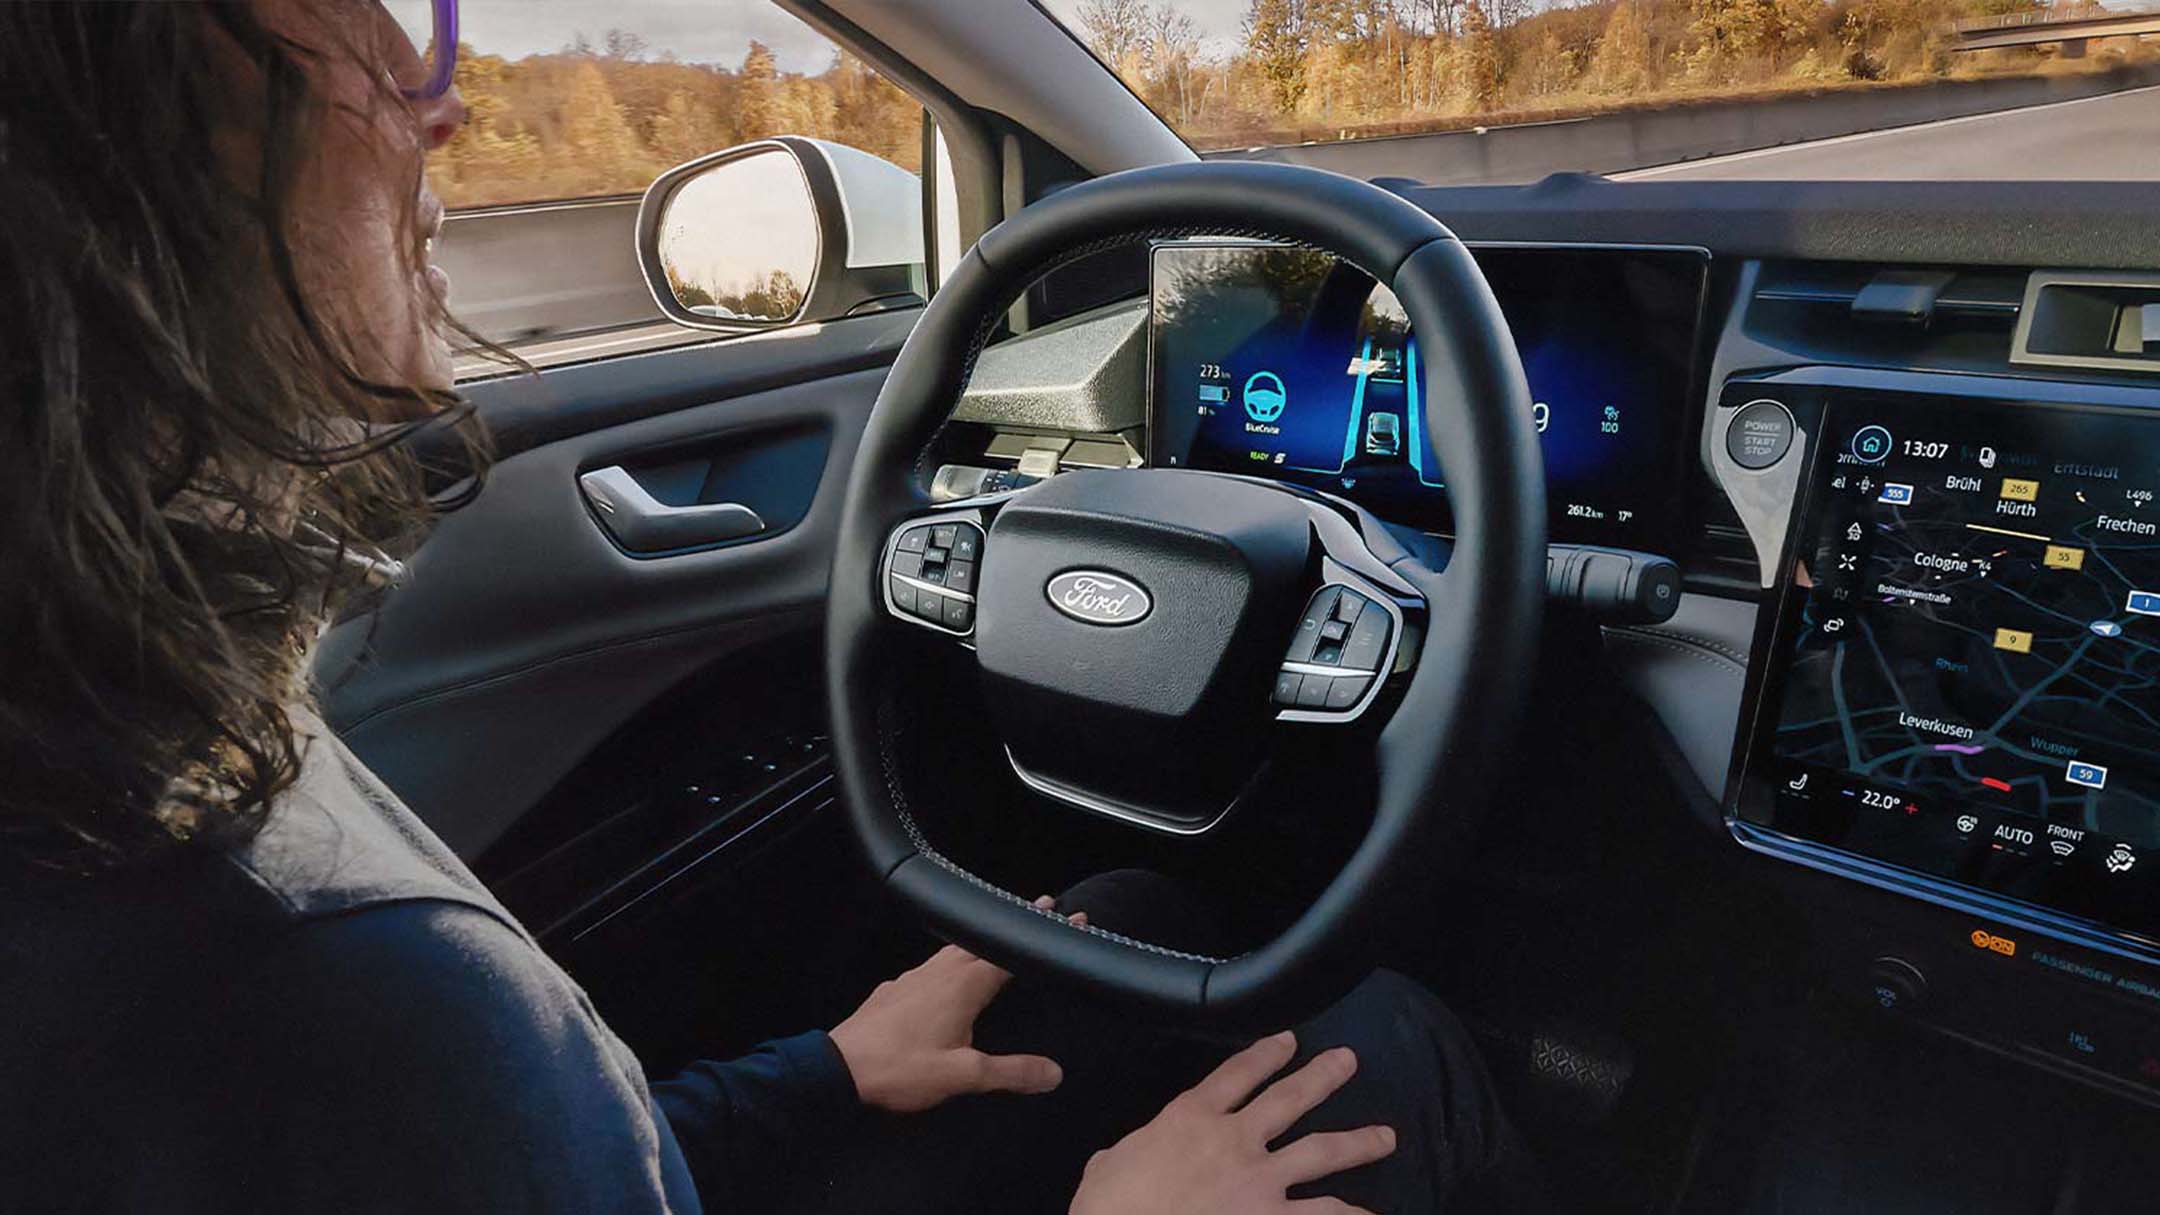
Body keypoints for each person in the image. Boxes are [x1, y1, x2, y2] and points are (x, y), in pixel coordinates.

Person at [0, 3, 1538, 1212]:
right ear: (101, 181)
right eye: (346, 25)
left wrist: (826, 1073)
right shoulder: (327, 985)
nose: (436, 97)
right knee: (1392, 1052)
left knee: (1128, 923)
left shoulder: (130, 765)